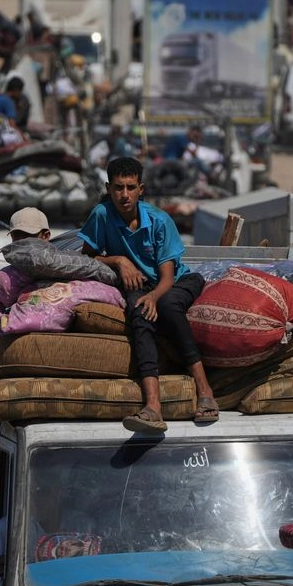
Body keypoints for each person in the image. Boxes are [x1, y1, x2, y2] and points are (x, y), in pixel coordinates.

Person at [79, 157, 219, 434]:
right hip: (139, 286)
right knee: (139, 315)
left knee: (167, 306)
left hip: (176, 282)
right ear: (108, 188)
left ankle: (205, 389)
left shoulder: (159, 220)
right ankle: (153, 406)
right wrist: (119, 260)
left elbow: (167, 276)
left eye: (131, 187)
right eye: (118, 188)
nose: (124, 195)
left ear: (141, 188)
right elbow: (89, 257)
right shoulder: (101, 215)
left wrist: (154, 297)